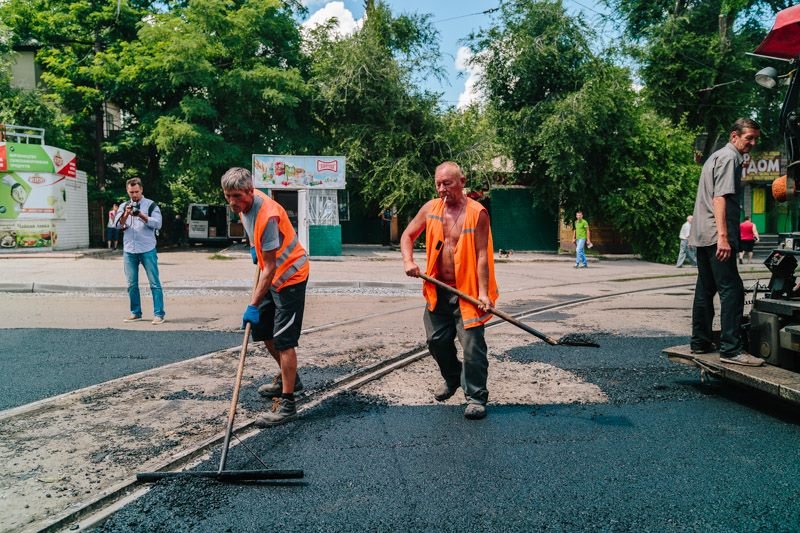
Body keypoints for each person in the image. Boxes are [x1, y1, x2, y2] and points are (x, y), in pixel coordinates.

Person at [400, 161, 499, 420]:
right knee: (436, 341)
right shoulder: (431, 209)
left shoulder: (478, 213)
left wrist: (484, 293)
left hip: (468, 292)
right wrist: (408, 261)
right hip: (437, 290)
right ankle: (453, 377)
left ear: (462, 181)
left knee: (472, 347)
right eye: (438, 184)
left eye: (448, 183)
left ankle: (476, 397)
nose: (442, 189)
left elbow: (481, 256)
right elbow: (407, 236)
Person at [221, 167, 310, 426]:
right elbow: (254, 236)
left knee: (284, 341)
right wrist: (252, 248)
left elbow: (270, 268)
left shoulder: (268, 215)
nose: (232, 202)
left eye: (237, 196)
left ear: (250, 191)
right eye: (228, 196)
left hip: (290, 278)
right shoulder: (244, 206)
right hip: (273, 275)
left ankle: (288, 404)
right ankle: (291, 378)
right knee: (263, 330)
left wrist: (252, 304)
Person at [689, 118, 763, 366]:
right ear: (734, 136)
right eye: (748, 138)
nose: (752, 143)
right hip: (716, 235)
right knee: (733, 290)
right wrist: (723, 237)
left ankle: (700, 342)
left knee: (705, 288)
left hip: (702, 233)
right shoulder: (730, 159)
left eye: (755, 139)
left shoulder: (717, 157)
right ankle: (732, 350)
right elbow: (720, 198)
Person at [114, 178, 165, 325]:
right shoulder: (124, 206)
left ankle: (159, 314)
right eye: (131, 192)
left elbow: (158, 224)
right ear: (127, 191)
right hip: (130, 249)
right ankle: (136, 313)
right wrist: (126, 214)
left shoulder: (150, 205)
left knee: (154, 283)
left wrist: (141, 215)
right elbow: (116, 225)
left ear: (141, 190)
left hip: (147, 248)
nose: (134, 195)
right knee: (131, 284)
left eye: (136, 192)